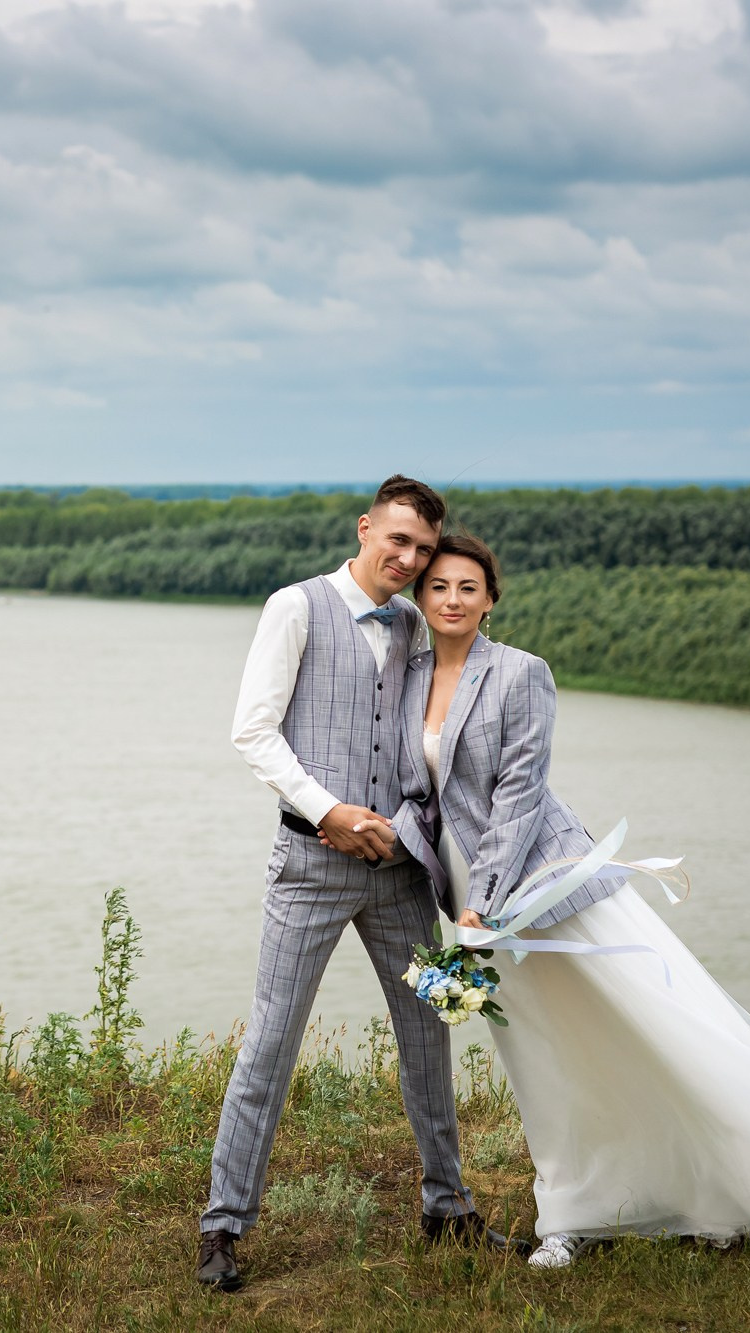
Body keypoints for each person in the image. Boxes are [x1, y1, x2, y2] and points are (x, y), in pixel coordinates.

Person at [395, 532, 750, 1269]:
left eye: (467, 587)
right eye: (439, 585)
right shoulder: (411, 674)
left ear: (491, 598)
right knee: (542, 1056)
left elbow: (519, 791)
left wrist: (486, 901)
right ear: (421, 595)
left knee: (650, 1031)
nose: (451, 599)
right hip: (473, 904)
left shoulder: (522, 674)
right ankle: (571, 1214)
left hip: (546, 886)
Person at [197, 476, 518, 1295]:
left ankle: (447, 1206)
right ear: (367, 528)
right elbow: (252, 732)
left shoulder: (415, 620)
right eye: (399, 542)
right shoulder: (294, 606)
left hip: (402, 873)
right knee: (269, 1043)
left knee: (433, 1031)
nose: (410, 560)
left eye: (423, 549)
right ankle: (224, 1224)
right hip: (308, 866)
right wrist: (328, 809)